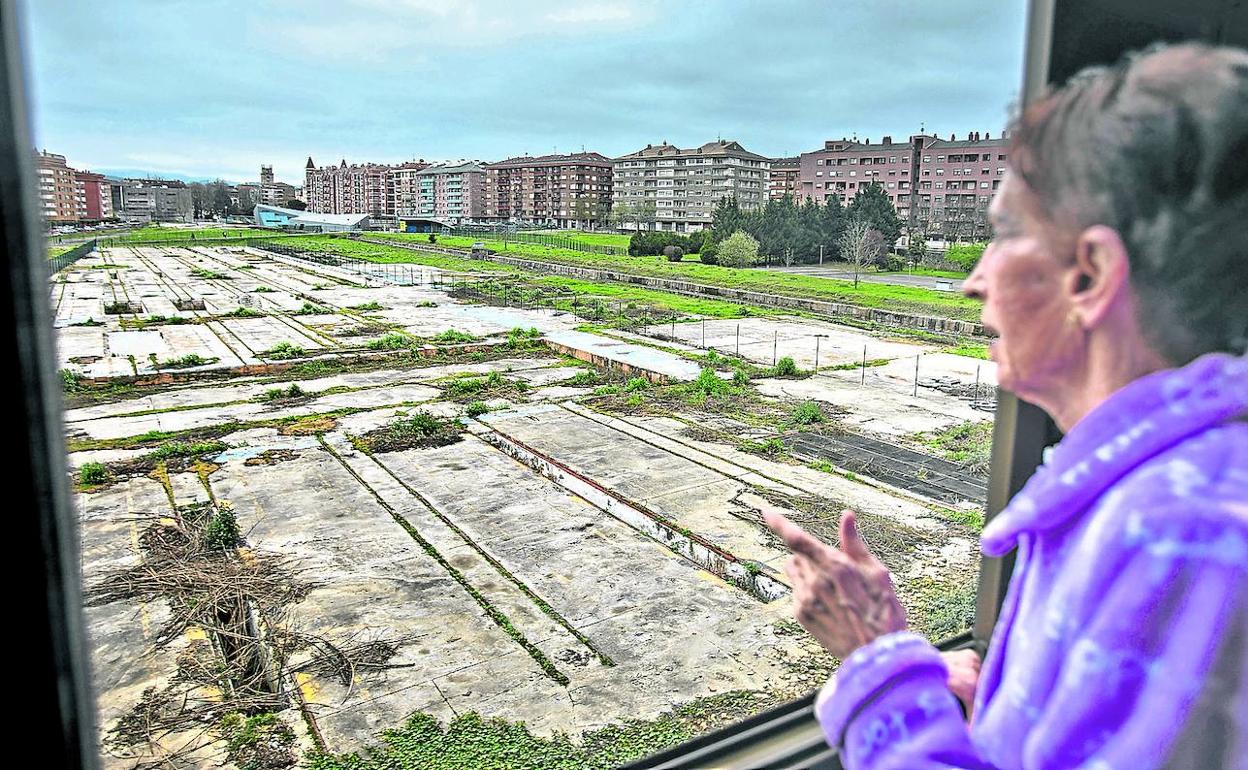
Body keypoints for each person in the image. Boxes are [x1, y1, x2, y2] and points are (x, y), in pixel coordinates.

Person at [765, 42, 1248, 769]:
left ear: (1088, 276)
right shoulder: (1170, 493)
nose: (972, 280)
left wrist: (877, 667)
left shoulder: (1185, 540)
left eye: (1003, 235)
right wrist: (1005, 696)